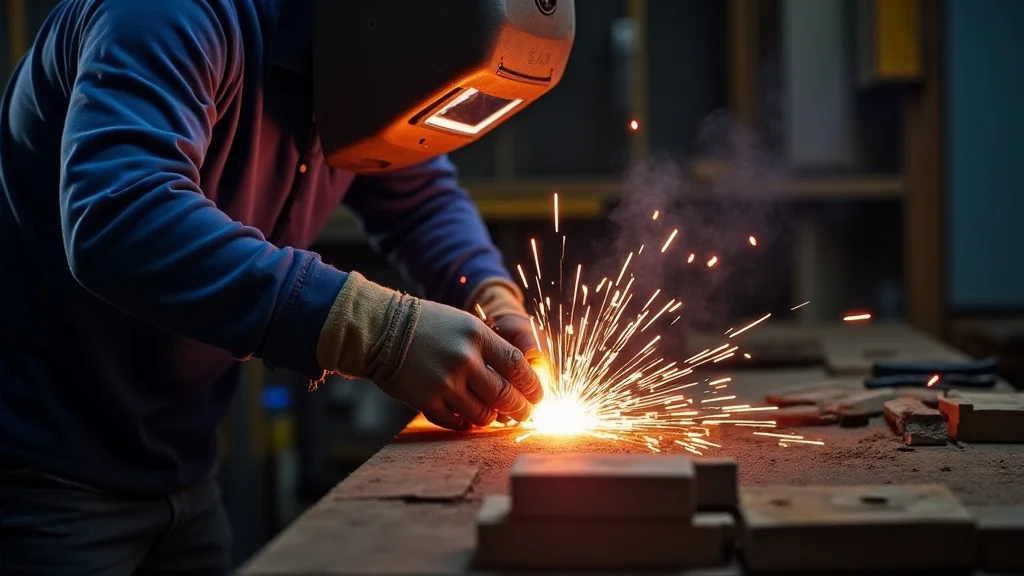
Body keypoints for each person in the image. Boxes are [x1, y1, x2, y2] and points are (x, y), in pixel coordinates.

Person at [0, 0, 545, 573]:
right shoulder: (167, 13)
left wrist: (489, 295)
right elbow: (121, 218)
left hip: (183, 465)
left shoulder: (361, 60)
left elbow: (420, 200)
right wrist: (378, 331)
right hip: (45, 471)